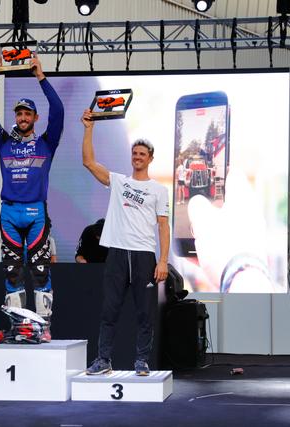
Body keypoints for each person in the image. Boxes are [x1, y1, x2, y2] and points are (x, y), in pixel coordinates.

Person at [0, 52, 64, 340]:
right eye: (19, 113)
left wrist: (40, 76)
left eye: (28, 114)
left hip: (36, 212)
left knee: (40, 271)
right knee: (12, 272)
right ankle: (20, 326)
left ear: (35, 118)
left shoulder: (47, 142)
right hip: (9, 213)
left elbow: (58, 110)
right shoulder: (4, 141)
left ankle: (44, 327)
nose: (23, 117)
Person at [80, 110, 169, 376]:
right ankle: (103, 359)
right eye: (134, 153)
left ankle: (141, 360)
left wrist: (163, 260)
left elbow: (163, 226)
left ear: (150, 158)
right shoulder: (119, 181)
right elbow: (88, 162)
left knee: (144, 314)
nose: (137, 157)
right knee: (109, 311)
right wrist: (88, 128)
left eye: (142, 154)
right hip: (118, 253)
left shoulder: (159, 190)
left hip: (144, 255)